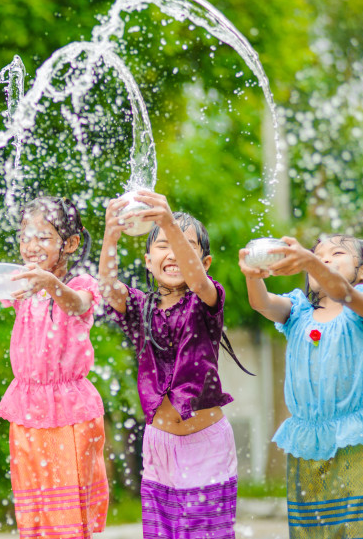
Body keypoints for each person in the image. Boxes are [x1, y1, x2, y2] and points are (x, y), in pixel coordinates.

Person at [99, 190, 241, 539]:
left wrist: (168, 222)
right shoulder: (139, 308)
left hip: (206, 444)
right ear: (148, 261)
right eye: (163, 245)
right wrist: (111, 234)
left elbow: (197, 281)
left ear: (204, 262)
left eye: (185, 245)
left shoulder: (206, 301)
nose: (174, 252)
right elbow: (109, 288)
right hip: (159, 445)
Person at [0, 196, 108, 539]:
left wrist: (51, 284)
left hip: (70, 409)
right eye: (25, 236)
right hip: (28, 406)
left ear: (70, 243)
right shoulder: (23, 284)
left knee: (67, 507)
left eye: (43, 237)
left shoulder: (79, 285)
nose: (31, 246)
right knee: (34, 504)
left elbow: (76, 305)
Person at [239, 234, 363, 539]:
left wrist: (310, 261)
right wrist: (252, 276)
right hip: (305, 438)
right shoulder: (297, 311)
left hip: (350, 438)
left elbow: (344, 292)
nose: (324, 259)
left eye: (337, 253)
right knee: (309, 528)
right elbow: (261, 303)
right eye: (318, 255)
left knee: (358, 529)